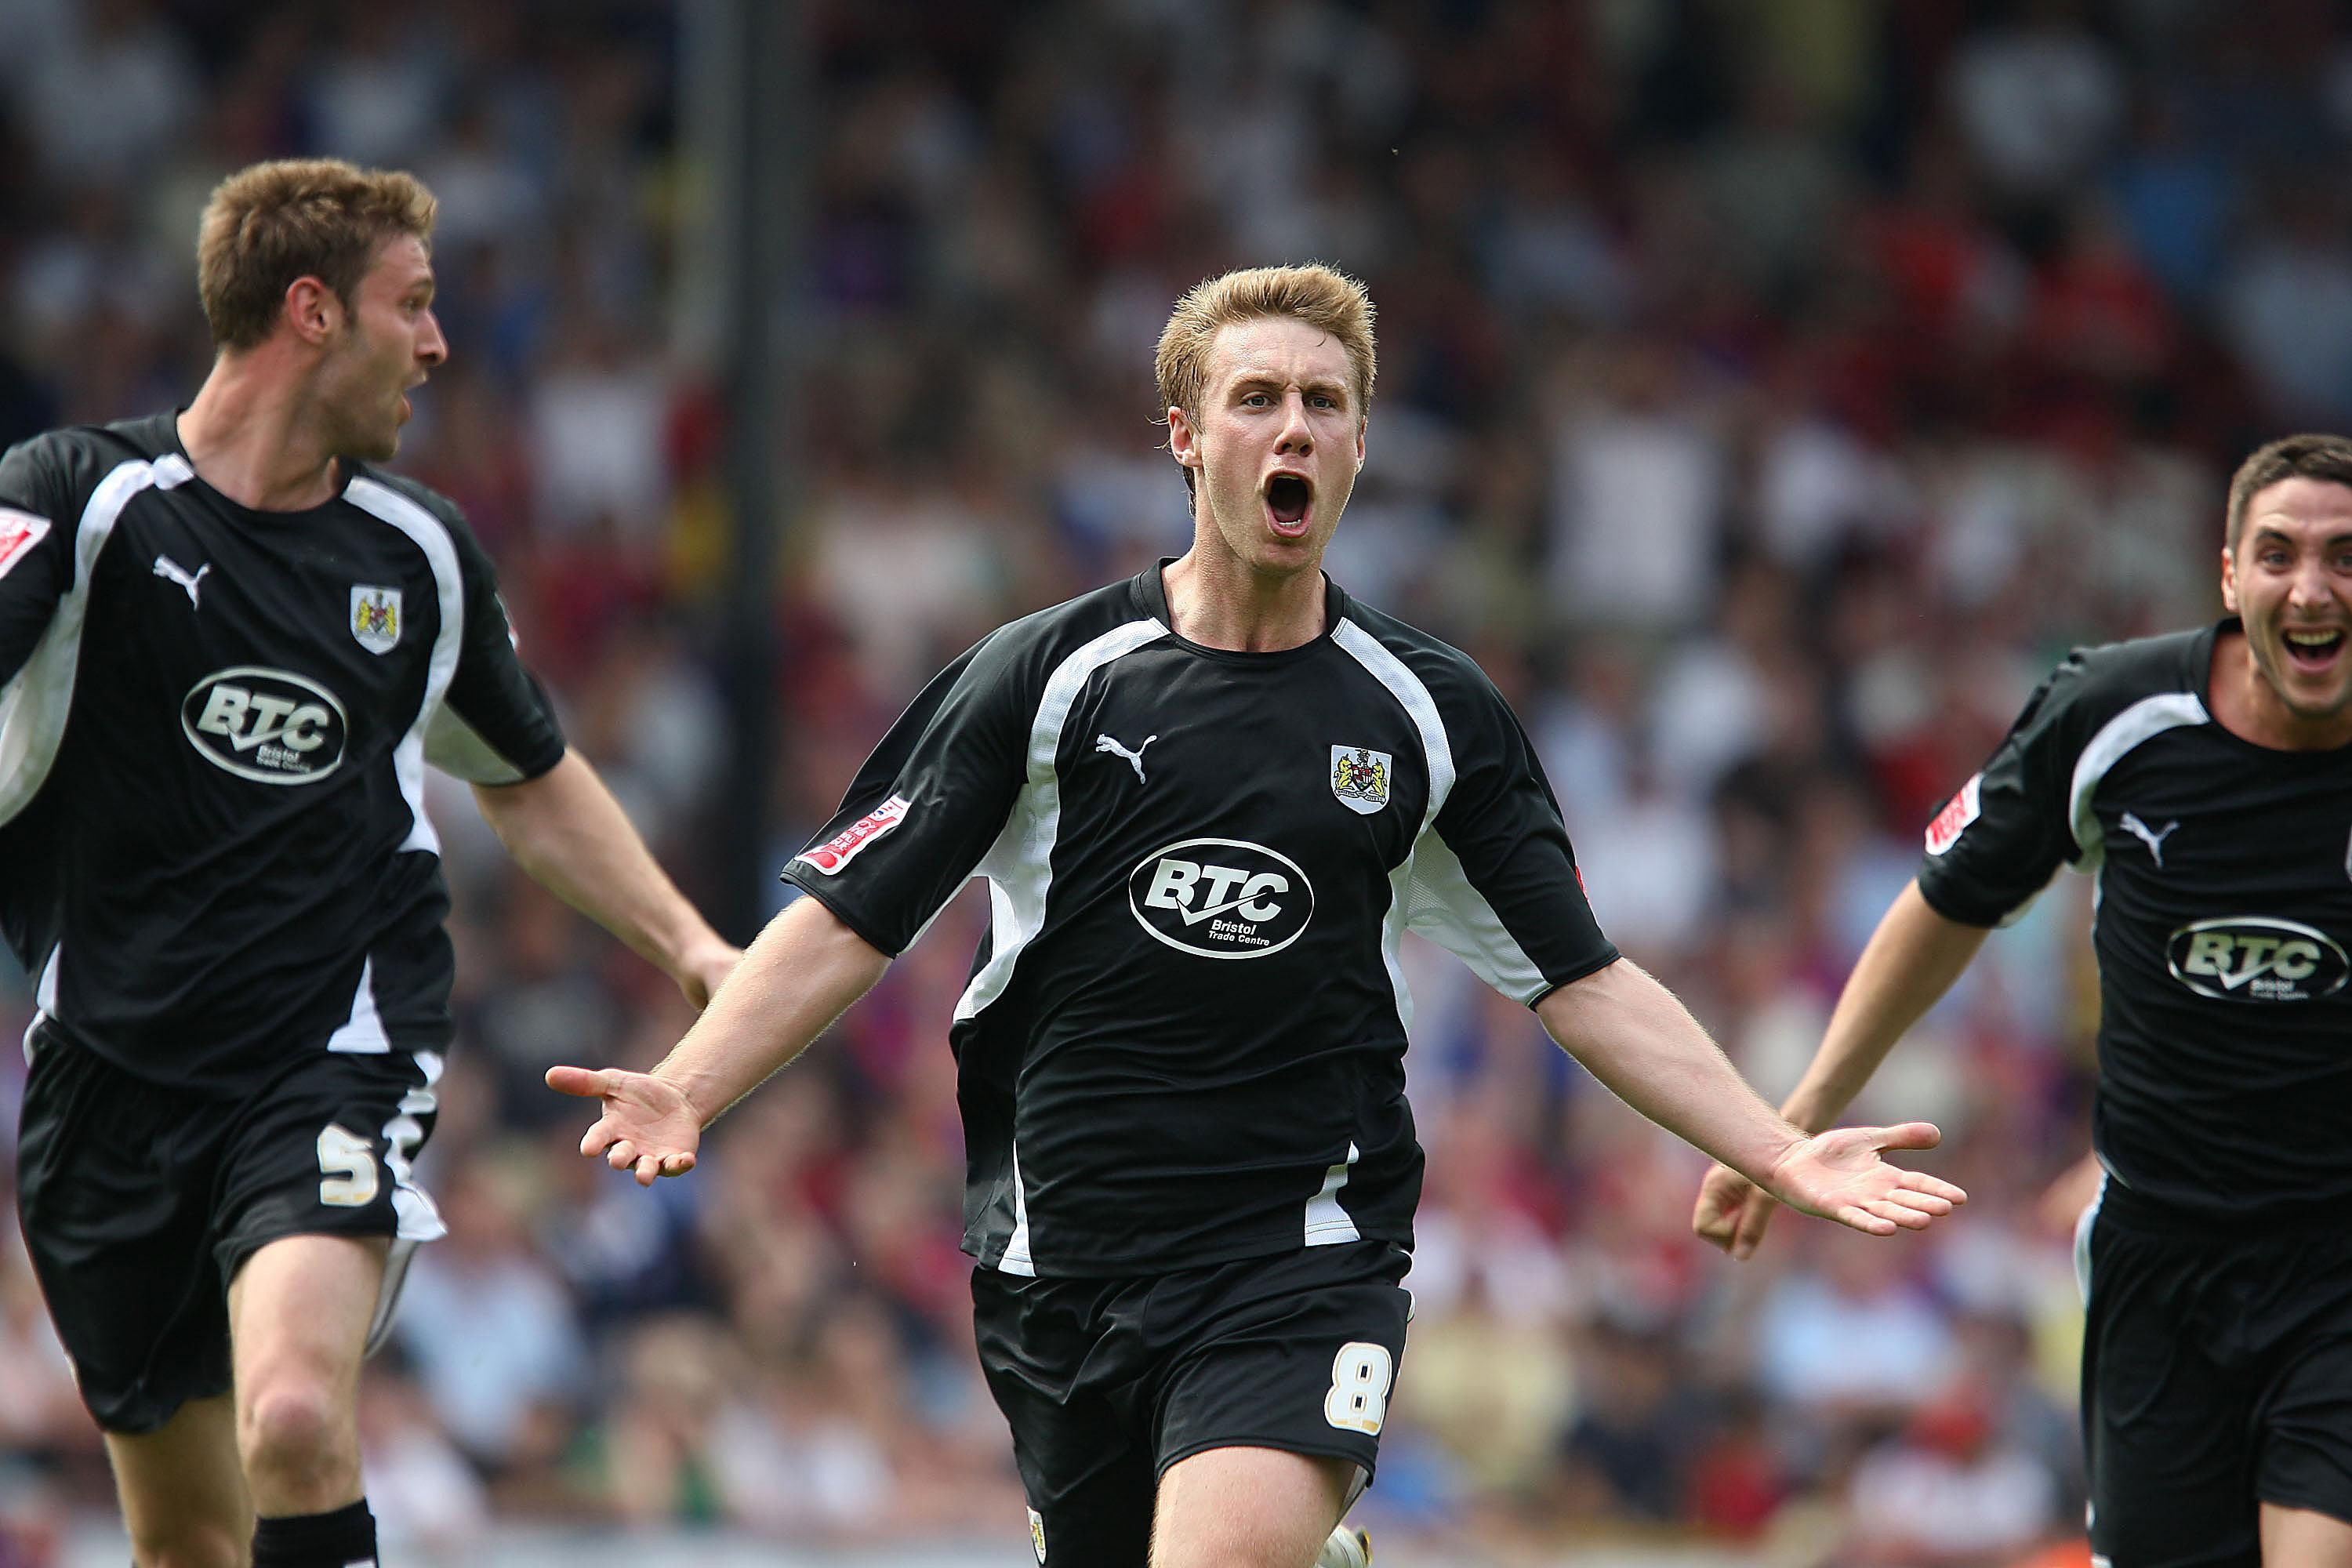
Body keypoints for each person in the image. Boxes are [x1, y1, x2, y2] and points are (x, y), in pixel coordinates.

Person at [553, 263, 1963, 1568]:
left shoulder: (1428, 713)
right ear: (1185, 437)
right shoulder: (1048, 678)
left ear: (1359, 445)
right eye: (1258, 399)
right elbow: (851, 918)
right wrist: (692, 1085)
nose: (1294, 427)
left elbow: (1583, 981)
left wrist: (1775, 1144)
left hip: (1303, 1250)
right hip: (1064, 1262)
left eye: (1324, 404)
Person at [0, 159, 739, 1568]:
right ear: (311, 312)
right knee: (189, 1541)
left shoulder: (418, 555)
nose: (438, 344)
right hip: (103, 1082)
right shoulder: (83, 501)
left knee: (291, 1417)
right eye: (413, 305)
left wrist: (695, 948)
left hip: (327, 1059)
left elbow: (528, 778)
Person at [1691, 432, 2352, 1568]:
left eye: (2345, 557)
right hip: (2160, 1264)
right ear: (2229, 576)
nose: (2312, 587)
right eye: (2279, 553)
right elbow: (1946, 907)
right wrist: (1794, 1120)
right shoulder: (2114, 714)